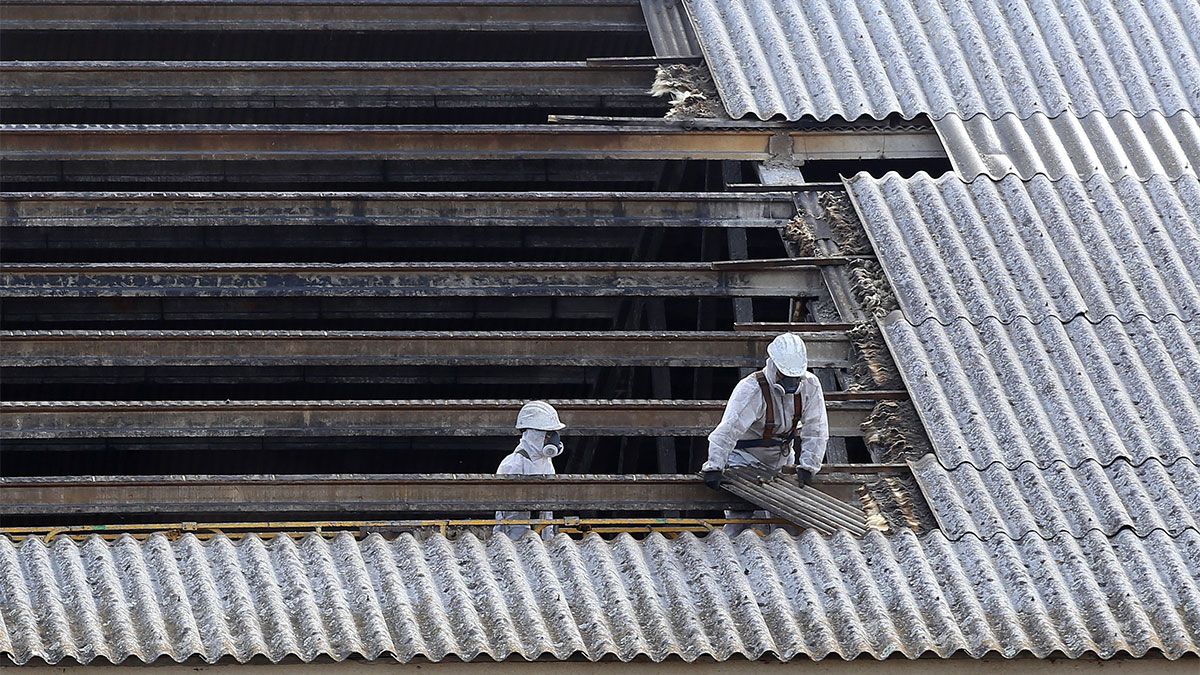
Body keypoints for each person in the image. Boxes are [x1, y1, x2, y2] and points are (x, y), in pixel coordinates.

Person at [701, 333, 828, 535]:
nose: (791, 382)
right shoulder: (751, 389)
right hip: (744, 460)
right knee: (740, 518)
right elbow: (728, 430)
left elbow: (817, 428)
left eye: (795, 378)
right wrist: (715, 465)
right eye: (786, 377)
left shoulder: (809, 386)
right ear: (774, 367)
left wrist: (808, 466)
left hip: (781, 459)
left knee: (785, 522)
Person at [494, 400, 566, 540]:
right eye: (547, 434)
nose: (550, 440)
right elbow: (508, 515)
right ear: (534, 434)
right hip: (514, 533)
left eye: (552, 434)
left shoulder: (545, 461)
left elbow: (547, 510)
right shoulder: (513, 464)